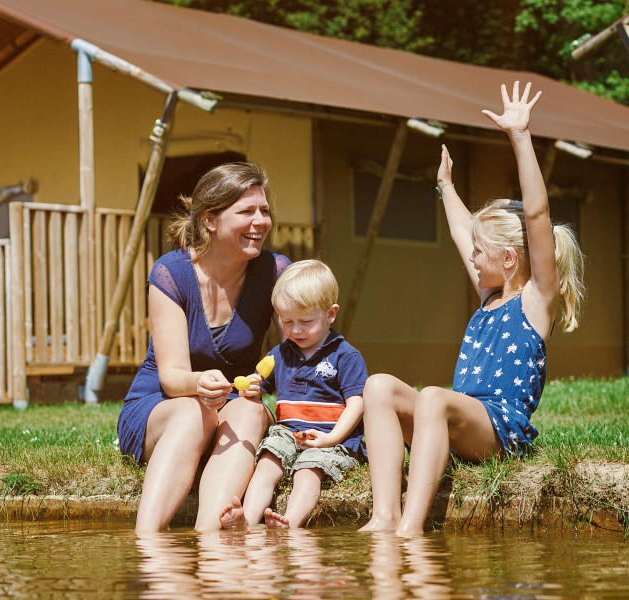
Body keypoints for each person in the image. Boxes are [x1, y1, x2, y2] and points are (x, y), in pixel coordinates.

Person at [359, 81, 585, 536]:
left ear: (509, 259)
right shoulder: (489, 294)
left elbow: (537, 217)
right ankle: (383, 517)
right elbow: (465, 231)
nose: (470, 258)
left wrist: (520, 138)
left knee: (434, 397)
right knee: (379, 386)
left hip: (499, 431)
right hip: (458, 420)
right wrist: (445, 187)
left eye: (480, 253)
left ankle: (411, 528)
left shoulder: (536, 301)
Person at [117, 162, 291, 533]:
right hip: (165, 405)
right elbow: (171, 376)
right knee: (193, 414)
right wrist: (198, 383)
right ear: (210, 220)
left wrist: (268, 385)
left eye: (264, 211)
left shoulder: (275, 272)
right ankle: (149, 547)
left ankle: (211, 540)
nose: (260, 221)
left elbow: (299, 355)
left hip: (231, 406)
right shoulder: (170, 273)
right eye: (246, 212)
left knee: (249, 410)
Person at [219, 259, 367, 529]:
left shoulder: (345, 356)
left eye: (305, 322)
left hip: (330, 437)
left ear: (330, 314)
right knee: (266, 464)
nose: (295, 330)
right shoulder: (280, 355)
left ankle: (290, 522)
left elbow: (357, 404)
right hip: (288, 433)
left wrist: (331, 438)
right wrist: (251, 390)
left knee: (307, 471)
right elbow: (258, 389)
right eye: (286, 321)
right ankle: (248, 521)